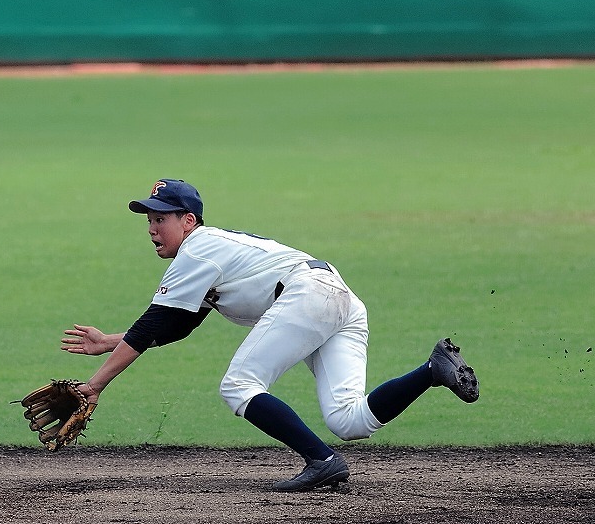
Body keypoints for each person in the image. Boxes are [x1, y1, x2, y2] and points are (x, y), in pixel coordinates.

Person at [60, 178, 479, 492]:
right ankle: (432, 370)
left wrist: (95, 384)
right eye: (150, 220)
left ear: (188, 221)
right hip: (338, 297)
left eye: (161, 219)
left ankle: (322, 459)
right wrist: (109, 341)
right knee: (350, 420)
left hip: (307, 296)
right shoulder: (208, 253)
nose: (152, 228)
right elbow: (176, 326)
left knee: (239, 385)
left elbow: (153, 324)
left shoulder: (197, 251)